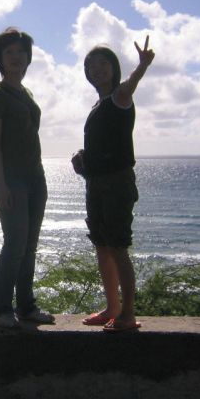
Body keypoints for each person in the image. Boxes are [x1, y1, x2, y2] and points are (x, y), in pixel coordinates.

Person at [72, 36, 155, 332]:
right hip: (96, 183)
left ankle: (127, 315)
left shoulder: (120, 96)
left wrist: (142, 66)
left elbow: (131, 84)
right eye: (91, 66)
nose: (97, 69)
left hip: (117, 183)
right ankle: (112, 307)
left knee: (118, 248)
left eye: (103, 63)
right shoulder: (98, 105)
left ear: (114, 67)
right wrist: (83, 157)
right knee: (102, 247)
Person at [0, 27, 55, 329]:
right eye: (9, 52)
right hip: (11, 179)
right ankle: (0, 308)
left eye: (21, 52)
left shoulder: (26, 93)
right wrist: (0, 184)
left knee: (29, 246)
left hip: (35, 177)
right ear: (0, 58)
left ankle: (26, 306)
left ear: (28, 57)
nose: (15, 57)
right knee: (15, 244)